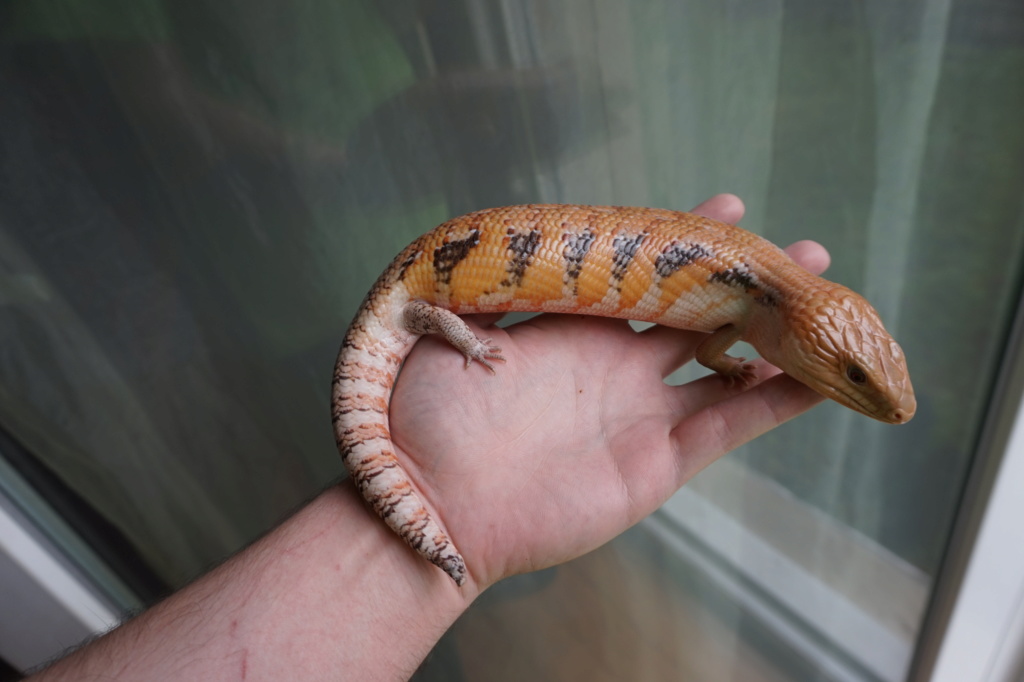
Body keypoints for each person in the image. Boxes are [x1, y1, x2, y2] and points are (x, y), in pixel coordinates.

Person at [30, 194, 830, 681]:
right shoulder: (746, 294)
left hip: (438, 289)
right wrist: (464, 344)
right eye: (851, 377)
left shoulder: (743, 300)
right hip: (419, 294)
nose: (857, 393)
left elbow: (711, 337)